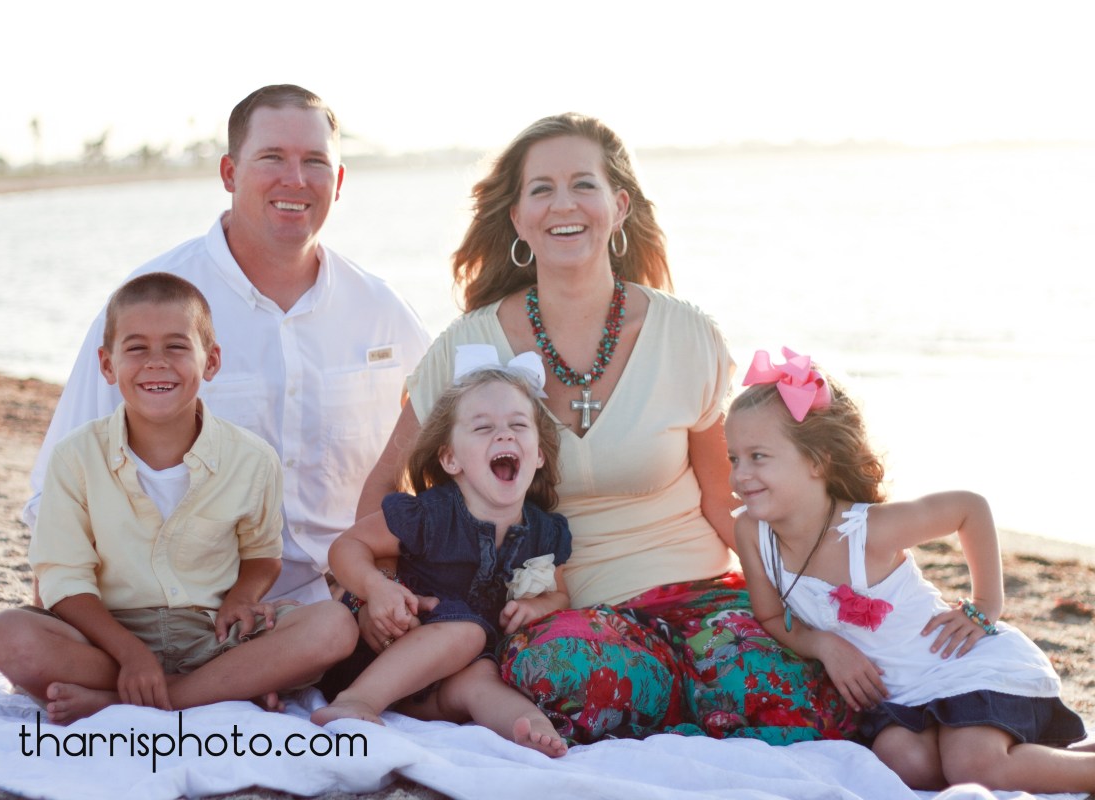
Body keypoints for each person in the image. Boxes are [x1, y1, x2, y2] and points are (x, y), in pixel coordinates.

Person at [355, 113, 852, 745]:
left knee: (799, 686)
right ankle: (695, 697)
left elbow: (729, 498)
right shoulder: (467, 348)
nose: (563, 204)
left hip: (696, 590)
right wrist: (379, 594)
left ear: (618, 207)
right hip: (562, 617)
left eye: (582, 185)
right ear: (517, 218)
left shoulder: (686, 334)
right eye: (541, 189)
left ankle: (695, 686)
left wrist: (831, 585)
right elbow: (383, 488)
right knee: (554, 670)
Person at [25, 84, 431, 604]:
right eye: (272, 157)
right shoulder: (153, 300)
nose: (296, 179)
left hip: (346, 592)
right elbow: (59, 483)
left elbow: (441, 452)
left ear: (340, 179)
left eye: (315, 161)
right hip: (188, 599)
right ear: (229, 173)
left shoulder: (381, 312)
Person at [0, 273, 356, 724]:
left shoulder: (253, 459)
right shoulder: (76, 457)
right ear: (106, 365)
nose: (156, 363)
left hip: (213, 636)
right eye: (136, 348)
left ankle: (139, 698)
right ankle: (221, 689)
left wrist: (242, 597)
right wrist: (132, 654)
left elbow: (262, 554)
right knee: (7, 636)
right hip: (108, 638)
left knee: (333, 627)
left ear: (211, 360)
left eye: (177, 347)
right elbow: (64, 579)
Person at [727, 347, 1093, 793]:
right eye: (733, 458)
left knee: (973, 770)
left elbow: (969, 508)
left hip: (964, 668)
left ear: (817, 462)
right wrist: (824, 644)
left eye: (758, 456)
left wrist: (984, 606)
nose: (740, 474)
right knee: (905, 764)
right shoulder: (752, 531)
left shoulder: (866, 530)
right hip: (905, 696)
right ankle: (1054, 762)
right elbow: (769, 617)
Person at [314, 349, 571, 757]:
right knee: (466, 632)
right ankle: (356, 701)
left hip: (448, 676)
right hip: (387, 647)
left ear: (538, 454)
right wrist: (376, 588)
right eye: (483, 427)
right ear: (450, 458)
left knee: (482, 676)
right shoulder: (431, 514)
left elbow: (559, 593)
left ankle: (530, 728)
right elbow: (347, 546)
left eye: (518, 425)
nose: (503, 435)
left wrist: (540, 608)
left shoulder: (544, 531)